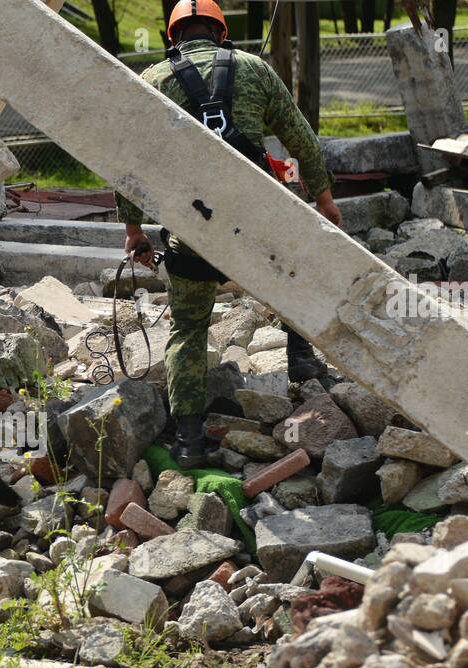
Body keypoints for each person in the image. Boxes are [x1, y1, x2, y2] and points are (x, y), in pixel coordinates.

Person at [116, 0, 343, 468]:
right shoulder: (254, 69)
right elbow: (300, 137)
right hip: (257, 223)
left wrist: (134, 228)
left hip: (193, 230)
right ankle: (300, 357)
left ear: (171, 37)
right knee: (294, 275)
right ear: (222, 35)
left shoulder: (154, 80)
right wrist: (323, 198)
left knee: (189, 328)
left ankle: (190, 439)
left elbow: (127, 159)